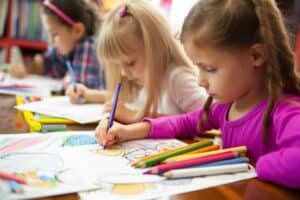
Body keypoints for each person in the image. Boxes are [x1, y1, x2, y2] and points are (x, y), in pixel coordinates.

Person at [95, 0, 300, 189]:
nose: (200, 81)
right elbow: (182, 123)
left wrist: (259, 163)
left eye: (210, 69)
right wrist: (127, 132)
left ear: (255, 56)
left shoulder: (285, 112)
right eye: (198, 69)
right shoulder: (224, 108)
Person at [68, 0, 207, 123]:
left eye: (130, 63)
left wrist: (136, 116)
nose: (123, 72)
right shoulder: (146, 77)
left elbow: (209, 118)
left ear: (157, 49)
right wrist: (89, 95)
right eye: (118, 65)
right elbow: (129, 97)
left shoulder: (178, 79)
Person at [8, 0, 106, 90]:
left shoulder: (89, 47)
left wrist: (68, 81)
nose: (50, 41)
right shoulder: (68, 48)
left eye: (54, 34)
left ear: (77, 31)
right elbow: (48, 63)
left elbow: (80, 90)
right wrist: (26, 67)